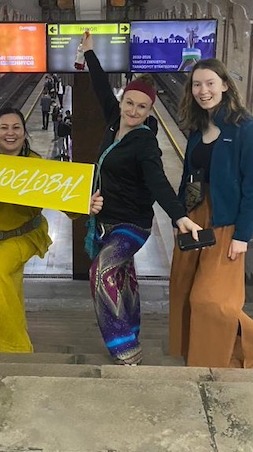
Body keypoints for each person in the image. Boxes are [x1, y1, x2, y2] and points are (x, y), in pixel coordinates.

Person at [81, 32, 202, 366]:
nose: (133, 110)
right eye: (130, 102)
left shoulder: (145, 142)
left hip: (131, 224)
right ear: (123, 101)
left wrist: (179, 216)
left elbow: (159, 183)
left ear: (151, 110)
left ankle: (124, 347)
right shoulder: (113, 120)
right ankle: (131, 328)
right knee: (123, 279)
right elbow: (100, 86)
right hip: (105, 221)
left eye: (142, 106)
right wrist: (89, 53)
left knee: (102, 272)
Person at [0, 107, 102, 353]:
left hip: (24, 236)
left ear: (24, 133)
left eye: (16, 127)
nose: (10, 133)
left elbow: (66, 201)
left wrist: (85, 204)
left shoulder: (36, 165)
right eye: (4, 128)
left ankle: (14, 345)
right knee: (7, 282)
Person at [170, 59, 253, 370]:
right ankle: (201, 358)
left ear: (225, 85)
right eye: (197, 84)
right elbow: (187, 176)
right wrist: (179, 216)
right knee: (184, 291)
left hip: (225, 222)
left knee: (212, 301)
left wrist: (242, 237)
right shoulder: (198, 128)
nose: (203, 91)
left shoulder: (244, 129)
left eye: (210, 83)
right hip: (194, 220)